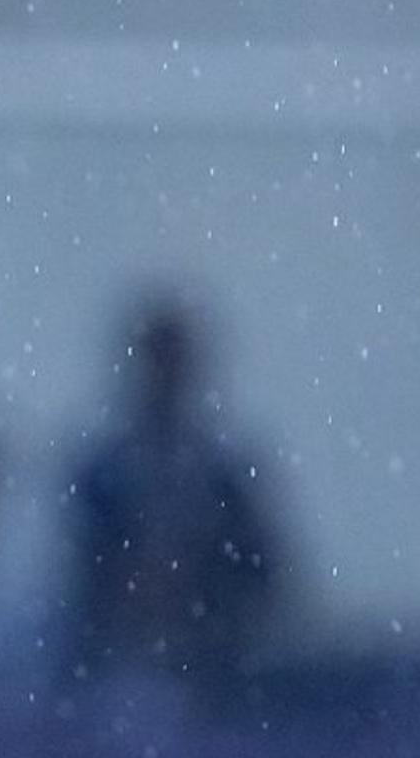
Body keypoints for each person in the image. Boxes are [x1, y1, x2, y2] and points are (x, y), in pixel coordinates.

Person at [62, 299, 283, 719]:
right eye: (155, 365)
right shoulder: (99, 477)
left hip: (211, 683)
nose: (163, 380)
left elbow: (265, 581)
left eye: (173, 366)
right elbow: (74, 583)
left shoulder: (225, 479)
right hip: (107, 677)